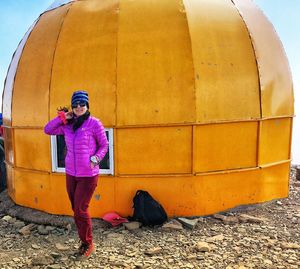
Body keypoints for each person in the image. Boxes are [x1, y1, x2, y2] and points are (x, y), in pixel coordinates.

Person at [44, 90, 108, 260]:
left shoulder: (95, 123)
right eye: (76, 104)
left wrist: (96, 158)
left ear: (88, 105)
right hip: (71, 173)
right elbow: (47, 129)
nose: (79, 107)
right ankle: (84, 241)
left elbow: (104, 145)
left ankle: (88, 243)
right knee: (76, 209)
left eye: (82, 104)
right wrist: (62, 117)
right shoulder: (67, 125)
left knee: (80, 209)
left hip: (88, 174)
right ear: (72, 107)